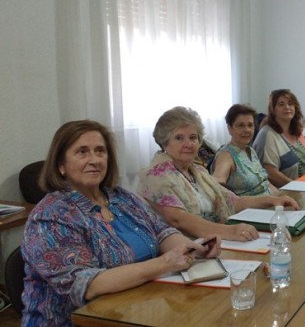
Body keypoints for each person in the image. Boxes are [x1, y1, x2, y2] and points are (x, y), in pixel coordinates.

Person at [21, 120, 221, 326]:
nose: (94, 160)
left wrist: (192, 249)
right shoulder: (50, 218)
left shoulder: (122, 197)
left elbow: (162, 232)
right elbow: (87, 284)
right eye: (82, 152)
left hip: (136, 307)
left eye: (100, 151)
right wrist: (163, 264)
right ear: (61, 165)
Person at [138, 107, 299, 241]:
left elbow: (234, 201)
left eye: (193, 137)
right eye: (179, 138)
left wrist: (273, 200)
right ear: (165, 142)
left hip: (214, 243)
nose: (188, 144)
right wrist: (229, 232)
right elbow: (178, 220)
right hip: (185, 252)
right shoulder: (155, 176)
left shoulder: (198, 171)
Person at [210, 104, 278, 196]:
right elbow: (217, 183)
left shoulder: (250, 150)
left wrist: (280, 197)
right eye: (241, 125)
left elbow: (265, 183)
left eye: (250, 125)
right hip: (251, 208)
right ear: (230, 129)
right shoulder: (226, 156)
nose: (247, 130)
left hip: (272, 203)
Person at [253, 89, 305, 187]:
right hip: (281, 193)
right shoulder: (267, 134)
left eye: (290, 104)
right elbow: (270, 172)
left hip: (303, 189)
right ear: (273, 110)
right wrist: (296, 186)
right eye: (281, 104)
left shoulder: (297, 132)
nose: (287, 107)